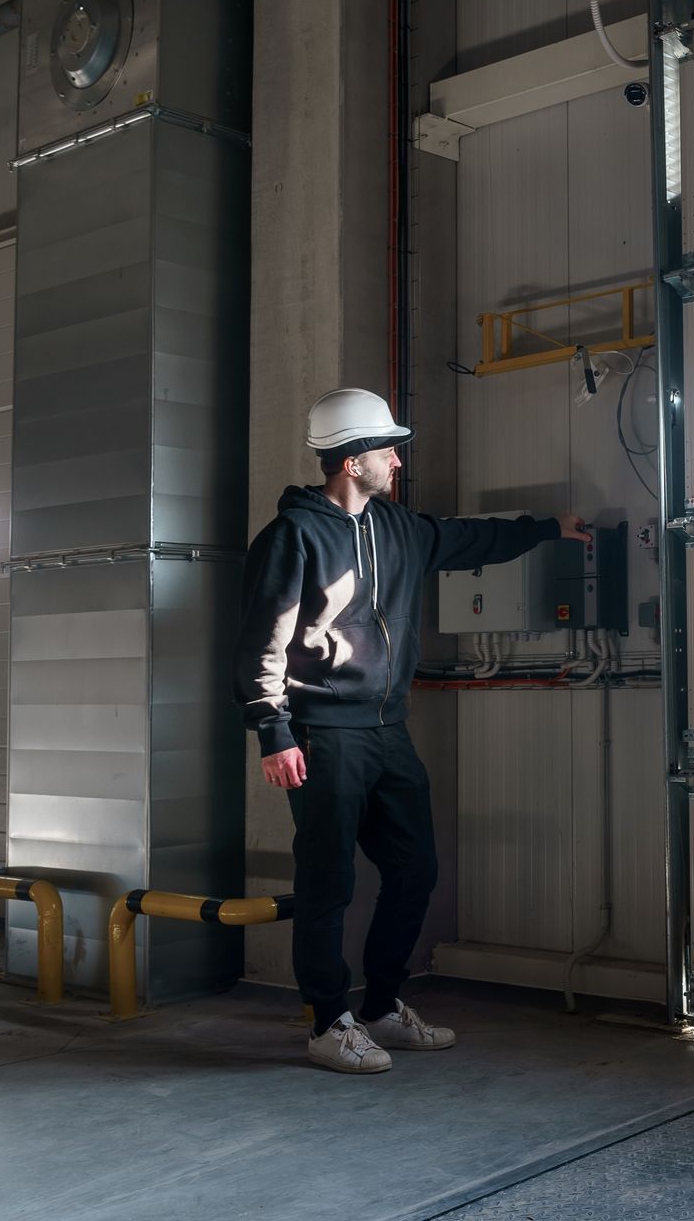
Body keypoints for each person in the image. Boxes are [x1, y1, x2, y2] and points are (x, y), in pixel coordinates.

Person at [234, 388, 587, 1074]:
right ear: (351, 460)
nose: (397, 461)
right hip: (322, 733)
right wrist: (272, 731)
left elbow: (467, 538)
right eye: (387, 450)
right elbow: (261, 643)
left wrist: (548, 528)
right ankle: (328, 1022)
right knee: (329, 881)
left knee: (415, 869)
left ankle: (381, 1008)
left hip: (388, 730)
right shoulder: (292, 536)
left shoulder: (397, 528)